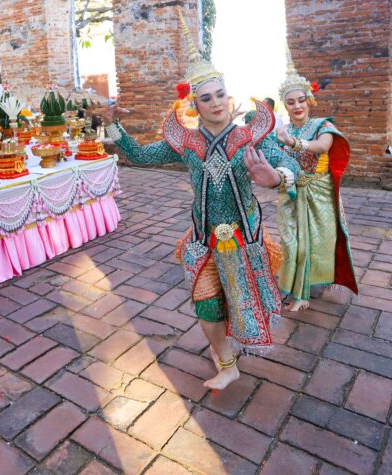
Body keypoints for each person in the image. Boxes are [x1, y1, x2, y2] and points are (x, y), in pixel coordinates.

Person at [100, 21, 301, 390]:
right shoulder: (186, 142)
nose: (216, 103)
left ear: (229, 97)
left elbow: (291, 165)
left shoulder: (250, 137)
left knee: (240, 302)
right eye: (206, 98)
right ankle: (227, 363)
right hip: (203, 238)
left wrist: (275, 178)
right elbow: (140, 156)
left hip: (244, 238)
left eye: (220, 94)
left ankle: (229, 344)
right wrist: (114, 128)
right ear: (195, 104)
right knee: (207, 305)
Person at [273, 52, 358, 312]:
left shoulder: (323, 125)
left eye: (301, 100)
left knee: (317, 243)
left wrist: (292, 143)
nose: (297, 106)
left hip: (319, 193)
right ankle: (296, 287)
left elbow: (322, 147)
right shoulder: (282, 131)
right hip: (292, 193)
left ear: (309, 100)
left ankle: (304, 293)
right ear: (285, 105)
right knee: (292, 243)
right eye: (291, 102)